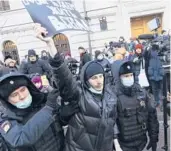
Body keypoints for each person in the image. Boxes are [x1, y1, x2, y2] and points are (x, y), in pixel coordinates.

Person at [35, 24, 121, 151]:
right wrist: (51, 45)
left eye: (100, 76)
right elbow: (64, 78)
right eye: (94, 78)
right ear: (86, 80)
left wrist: (116, 144)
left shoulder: (110, 95)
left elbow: (111, 120)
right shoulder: (79, 94)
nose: (98, 81)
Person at [0, 72, 79, 151]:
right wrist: (48, 109)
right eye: (14, 95)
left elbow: (56, 123)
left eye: (23, 90)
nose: (22, 96)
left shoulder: (41, 101)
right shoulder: (6, 118)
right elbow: (20, 139)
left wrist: (63, 117)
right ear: (7, 100)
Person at [111, 60, 159, 151]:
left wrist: (153, 138)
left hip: (141, 142)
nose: (129, 78)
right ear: (118, 77)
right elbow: (111, 123)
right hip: (123, 145)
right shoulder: (112, 96)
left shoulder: (142, 93)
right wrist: (115, 143)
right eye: (126, 76)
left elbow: (151, 116)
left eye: (131, 75)